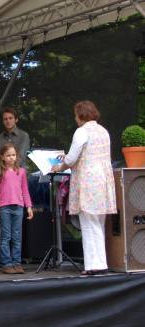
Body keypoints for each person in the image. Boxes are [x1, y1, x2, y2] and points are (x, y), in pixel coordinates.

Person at [51, 100, 116, 275]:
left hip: (88, 181)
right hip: (103, 181)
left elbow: (72, 159)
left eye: (75, 115)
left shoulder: (82, 131)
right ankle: (101, 263)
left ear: (81, 115)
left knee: (88, 223)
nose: (75, 118)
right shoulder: (103, 131)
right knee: (98, 223)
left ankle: (93, 266)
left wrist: (59, 166)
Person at [0, 143, 33, 275]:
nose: (11, 157)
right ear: (2, 157)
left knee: (17, 236)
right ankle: (7, 263)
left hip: (19, 207)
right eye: (8, 155)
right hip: (4, 207)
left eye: (13, 155)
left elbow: (25, 190)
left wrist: (29, 206)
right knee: (6, 236)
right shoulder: (0, 172)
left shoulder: (21, 172)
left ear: (17, 156)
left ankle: (17, 262)